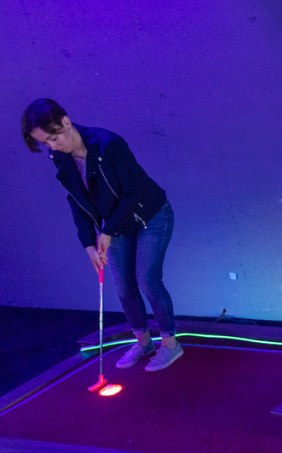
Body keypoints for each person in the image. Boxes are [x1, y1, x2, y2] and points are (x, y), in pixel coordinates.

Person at [21, 98, 183, 372]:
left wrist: (106, 231)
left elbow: (133, 193)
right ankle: (143, 343)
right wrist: (88, 244)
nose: (53, 146)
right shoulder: (59, 156)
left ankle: (171, 346)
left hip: (151, 216)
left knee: (147, 280)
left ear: (66, 122)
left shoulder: (108, 144)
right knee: (123, 285)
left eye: (54, 137)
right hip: (117, 224)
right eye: (45, 143)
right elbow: (77, 200)